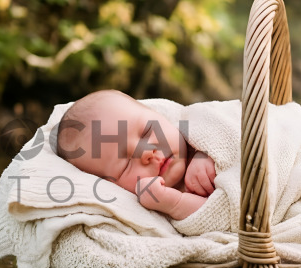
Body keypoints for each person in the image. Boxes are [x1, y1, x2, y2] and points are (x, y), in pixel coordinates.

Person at [54, 89, 217, 220]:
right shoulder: (154, 209)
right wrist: (174, 203)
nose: (146, 153)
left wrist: (206, 153)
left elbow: (230, 127)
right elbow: (216, 217)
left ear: (159, 115)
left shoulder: (199, 129)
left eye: (147, 132)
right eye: (126, 164)